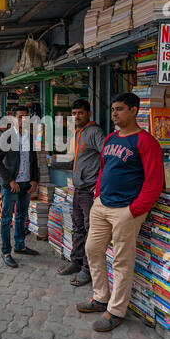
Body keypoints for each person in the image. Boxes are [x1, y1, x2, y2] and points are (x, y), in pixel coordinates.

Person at [77, 92, 164, 332]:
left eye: (120, 109)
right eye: (113, 109)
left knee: (121, 261)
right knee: (92, 249)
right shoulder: (111, 139)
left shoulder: (146, 142)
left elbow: (154, 182)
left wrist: (134, 210)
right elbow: (104, 169)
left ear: (134, 110)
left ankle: (116, 311)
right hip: (102, 205)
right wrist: (97, 195)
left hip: (126, 210)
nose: (114, 113)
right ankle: (100, 297)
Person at [58, 99, 106, 287]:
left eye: (80, 113)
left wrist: (99, 184)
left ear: (89, 113)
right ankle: (75, 262)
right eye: (74, 113)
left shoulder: (95, 132)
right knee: (78, 228)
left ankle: (87, 270)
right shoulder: (77, 133)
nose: (76, 116)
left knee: (90, 230)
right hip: (78, 189)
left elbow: (107, 156)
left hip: (90, 191)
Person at [0, 106, 40, 268]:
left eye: (26, 117)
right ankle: (6, 251)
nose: (23, 120)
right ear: (14, 119)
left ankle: (20, 245)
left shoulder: (30, 137)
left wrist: (34, 180)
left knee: (21, 216)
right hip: (11, 185)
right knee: (6, 219)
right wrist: (9, 181)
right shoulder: (6, 137)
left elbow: (34, 161)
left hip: (26, 183)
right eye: (20, 117)